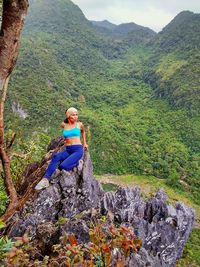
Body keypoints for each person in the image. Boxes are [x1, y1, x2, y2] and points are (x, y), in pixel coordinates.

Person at [35, 107, 88, 190]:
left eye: (77, 115)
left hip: (77, 150)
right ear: (68, 116)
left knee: (63, 166)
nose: (76, 117)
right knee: (56, 157)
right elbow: (64, 123)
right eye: (73, 115)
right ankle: (45, 179)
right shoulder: (64, 125)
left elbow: (83, 132)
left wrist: (85, 143)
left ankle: (77, 163)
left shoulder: (79, 124)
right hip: (68, 149)